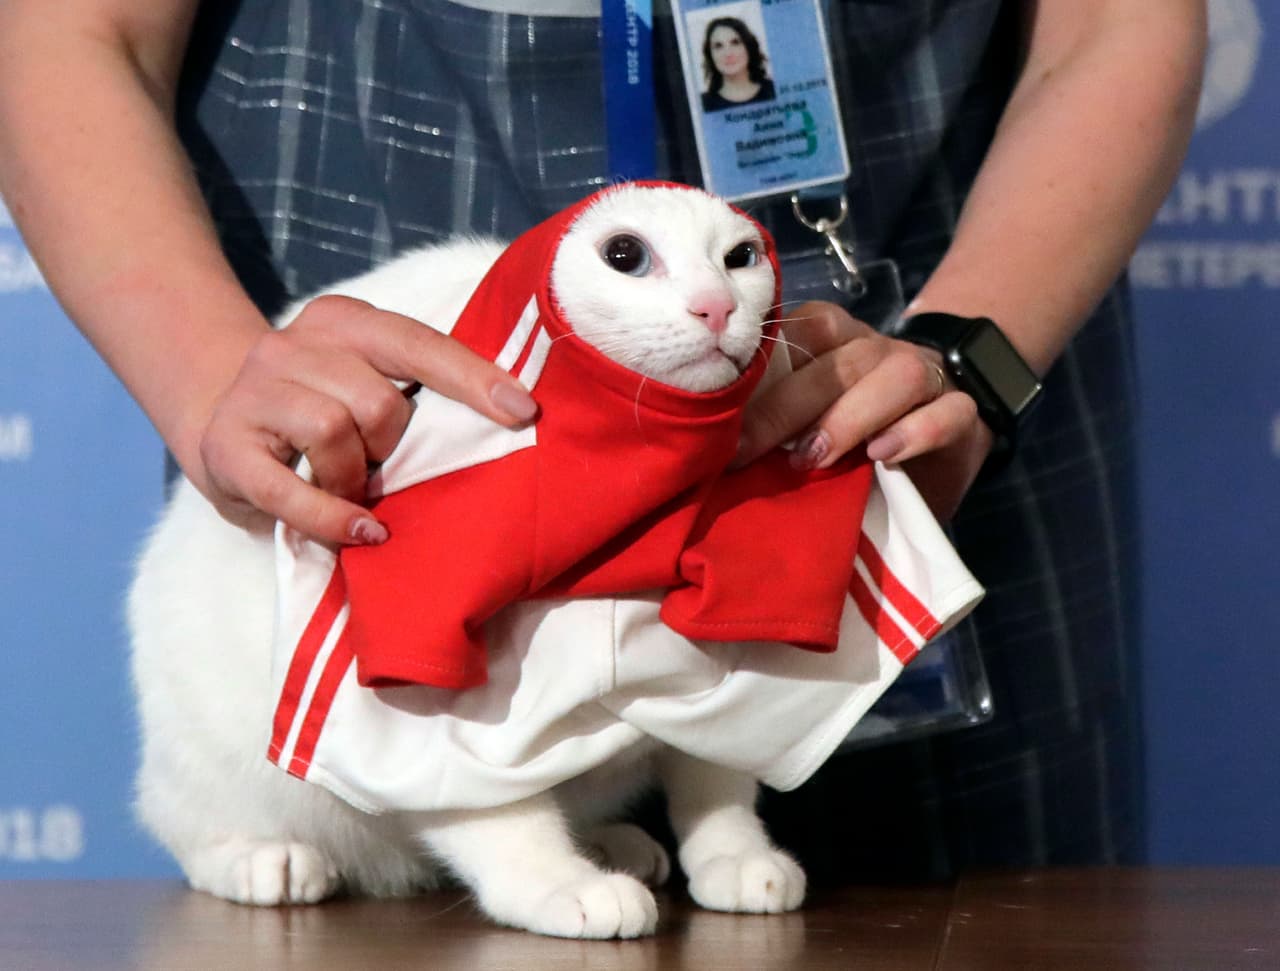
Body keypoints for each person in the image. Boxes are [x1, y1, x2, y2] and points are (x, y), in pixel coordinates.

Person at [0, 0, 1205, 879]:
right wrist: (218, 376)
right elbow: (71, 29)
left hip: (914, 351)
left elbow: (1114, 22)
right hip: (369, 305)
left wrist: (974, 356)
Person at [700, 16, 776, 112]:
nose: (728, 53)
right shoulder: (702, 104)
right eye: (718, 46)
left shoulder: (774, 90)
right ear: (710, 55)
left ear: (749, 47)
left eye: (735, 43)